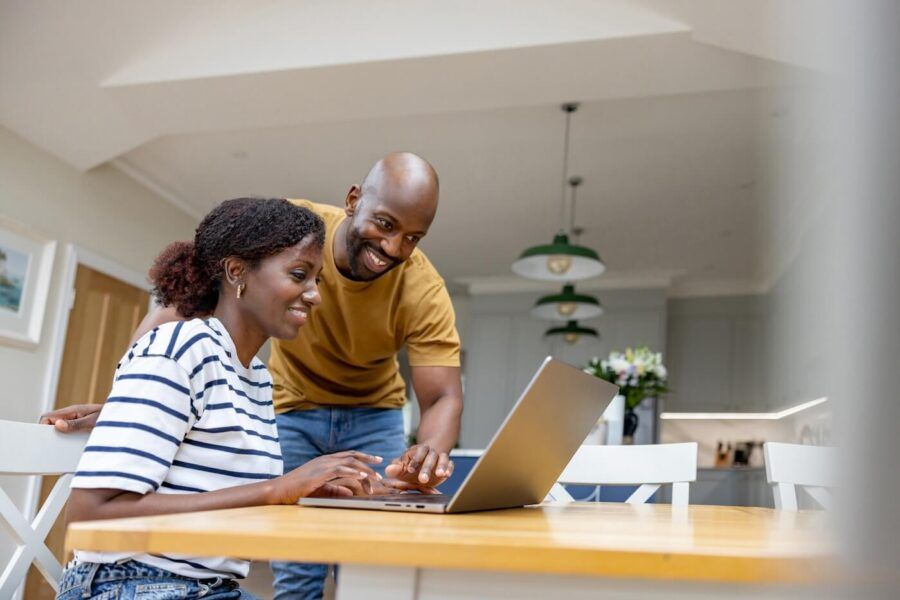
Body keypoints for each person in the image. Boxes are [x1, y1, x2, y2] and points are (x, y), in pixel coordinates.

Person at [43, 152, 464, 600]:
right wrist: (135, 403)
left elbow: (442, 396)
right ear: (353, 201)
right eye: (385, 225)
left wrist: (426, 458)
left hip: (371, 411)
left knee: (380, 567)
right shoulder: (294, 236)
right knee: (297, 571)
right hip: (139, 580)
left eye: (412, 237)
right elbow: (183, 307)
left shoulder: (255, 379)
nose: (395, 247)